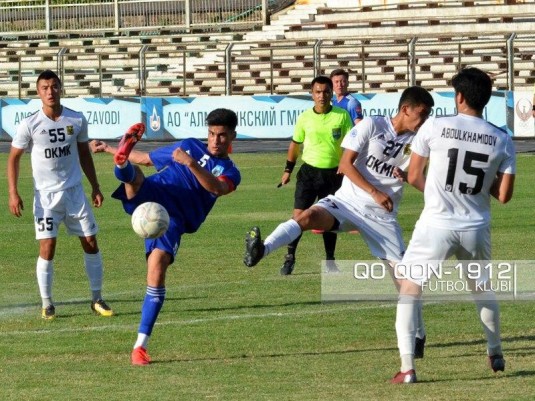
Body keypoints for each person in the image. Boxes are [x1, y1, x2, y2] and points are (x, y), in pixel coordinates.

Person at [244, 86, 435, 356]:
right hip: (347, 202)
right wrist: (375, 191)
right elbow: (345, 165)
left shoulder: (419, 140)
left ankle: (419, 333)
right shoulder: (372, 124)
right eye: (422, 113)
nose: (425, 119)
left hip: (382, 218)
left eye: (428, 115)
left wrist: (406, 178)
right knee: (306, 216)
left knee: (405, 285)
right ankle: (262, 249)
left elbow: (416, 174)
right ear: (406, 109)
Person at [391, 68, 516, 384]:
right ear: (486, 100)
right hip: (475, 226)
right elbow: (503, 195)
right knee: (482, 289)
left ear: (458, 97)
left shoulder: (435, 125)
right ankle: (495, 351)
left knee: (410, 288)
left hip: (436, 223)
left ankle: (408, 368)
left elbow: (415, 174)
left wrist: (441, 189)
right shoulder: (502, 138)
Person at [90, 108, 240, 366]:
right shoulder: (189, 145)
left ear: (232, 136)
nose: (216, 140)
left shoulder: (230, 170)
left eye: (222, 136)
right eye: (212, 134)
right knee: (136, 175)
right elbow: (147, 159)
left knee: (156, 269)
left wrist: (190, 163)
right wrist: (109, 149)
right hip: (156, 194)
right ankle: (122, 164)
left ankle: (139, 347)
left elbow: (216, 188)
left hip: (171, 219)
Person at [7, 69, 113, 320]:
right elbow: (13, 158)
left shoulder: (76, 120)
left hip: (75, 193)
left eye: (54, 86)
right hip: (45, 197)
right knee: (48, 246)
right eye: (44, 87)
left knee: (90, 242)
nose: (50, 91)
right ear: (38, 92)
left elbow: (84, 154)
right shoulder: (29, 124)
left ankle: (97, 298)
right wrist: (13, 192)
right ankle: (47, 303)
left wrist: (95, 185)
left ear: (61, 88)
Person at [277, 75, 353, 275]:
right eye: (318, 92)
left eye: (326, 92)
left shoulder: (342, 116)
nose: (322, 96)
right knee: (298, 218)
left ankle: (330, 260)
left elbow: (352, 144)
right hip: (309, 174)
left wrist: (347, 164)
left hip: (334, 175)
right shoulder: (304, 118)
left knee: (330, 219)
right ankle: (290, 257)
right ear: (312, 94)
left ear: (331, 93)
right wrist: (287, 170)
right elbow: (295, 144)